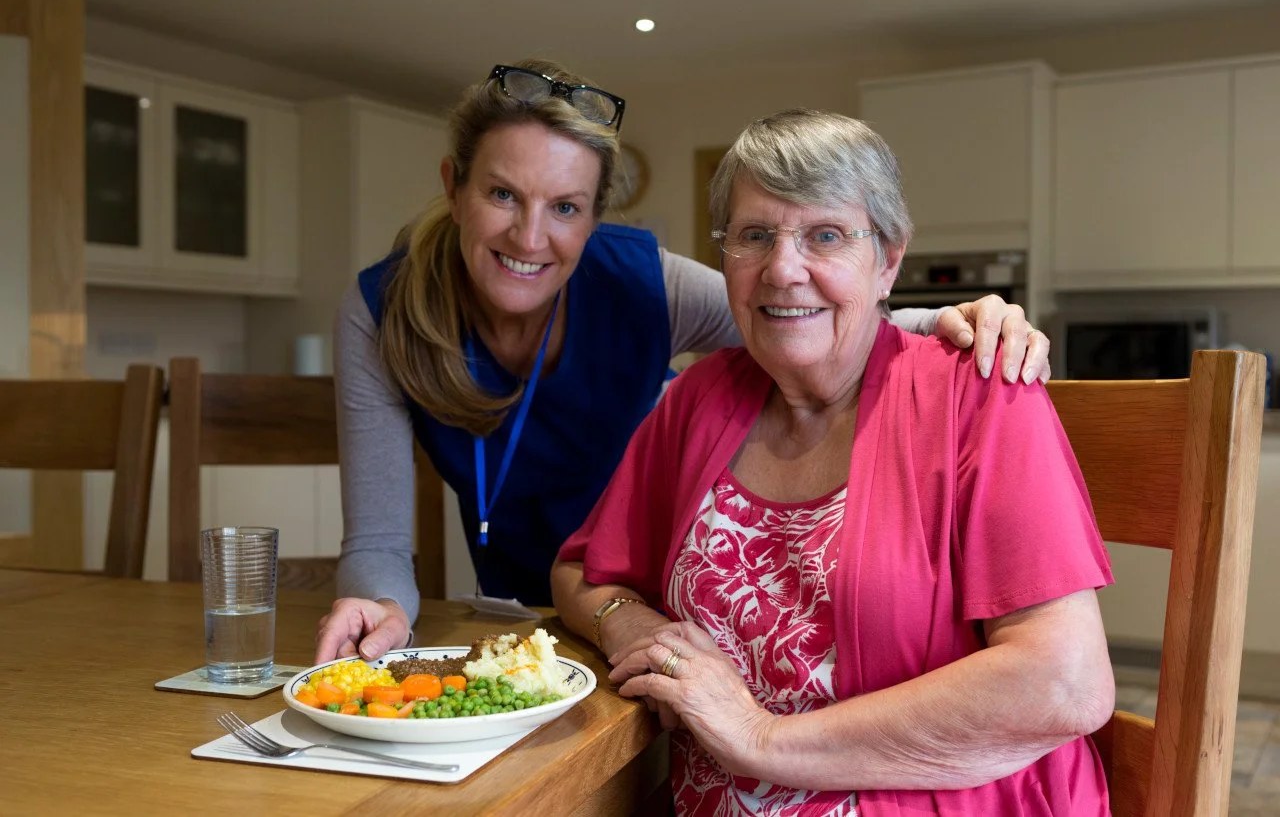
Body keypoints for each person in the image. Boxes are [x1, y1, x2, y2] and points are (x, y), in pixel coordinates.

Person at [315, 60, 1052, 665]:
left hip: (652, 608)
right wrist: (379, 608)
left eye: (566, 207)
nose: (530, 235)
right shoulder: (383, 309)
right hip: (533, 620)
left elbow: (788, 317)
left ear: (597, 217)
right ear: (454, 185)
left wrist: (950, 321)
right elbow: (378, 542)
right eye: (503, 193)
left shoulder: (644, 284)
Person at [552, 109, 1113, 815]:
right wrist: (635, 626)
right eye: (755, 235)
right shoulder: (698, 398)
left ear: (888, 260)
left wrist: (760, 739)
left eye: (826, 235)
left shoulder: (978, 393)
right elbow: (579, 570)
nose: (783, 269)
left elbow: (1065, 681)